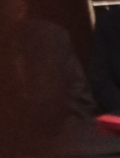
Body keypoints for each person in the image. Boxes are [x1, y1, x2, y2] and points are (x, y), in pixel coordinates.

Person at [7, 0, 93, 146]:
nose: (16, 3)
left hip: (63, 143)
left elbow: (80, 102)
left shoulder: (53, 37)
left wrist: (67, 143)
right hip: (8, 150)